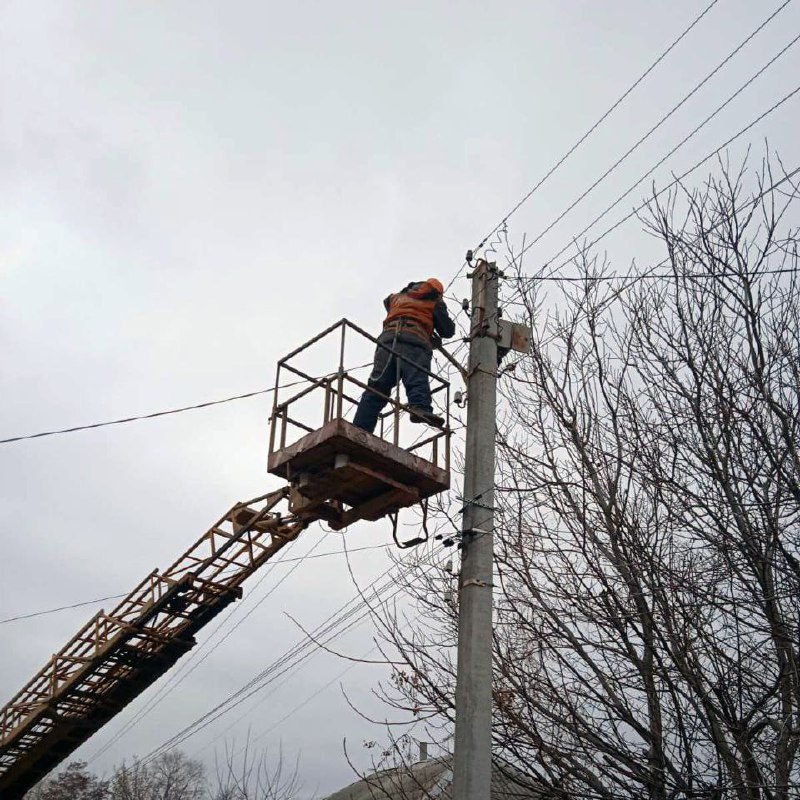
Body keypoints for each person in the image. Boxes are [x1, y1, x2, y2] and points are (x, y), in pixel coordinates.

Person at [352, 278, 456, 433]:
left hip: (387, 342)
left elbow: (387, 302)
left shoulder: (397, 297)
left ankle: (360, 428)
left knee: (377, 387)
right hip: (414, 342)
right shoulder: (434, 301)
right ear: (438, 293)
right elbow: (447, 331)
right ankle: (420, 407)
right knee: (416, 377)